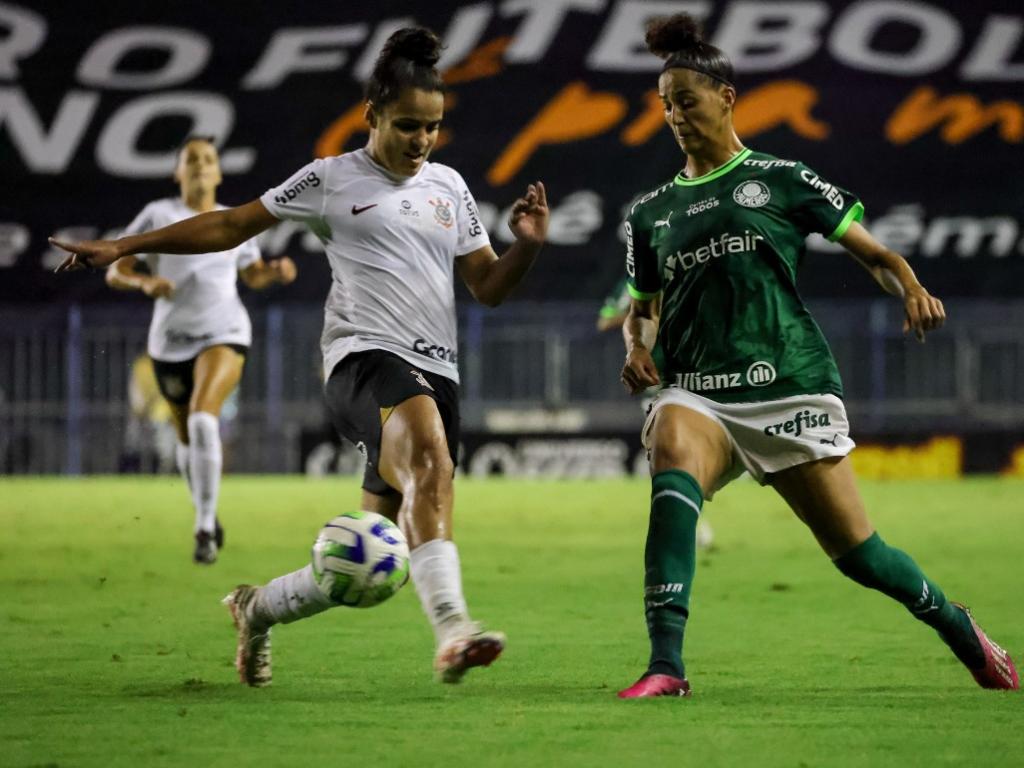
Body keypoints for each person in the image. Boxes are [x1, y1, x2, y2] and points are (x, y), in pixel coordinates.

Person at [52, 27, 550, 687]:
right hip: (361, 361)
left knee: (372, 561)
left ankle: (255, 609)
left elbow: (486, 287)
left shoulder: (451, 188)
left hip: (436, 371)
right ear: (371, 117)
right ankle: (454, 630)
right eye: (407, 125)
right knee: (430, 454)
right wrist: (122, 247)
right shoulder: (330, 178)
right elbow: (232, 224)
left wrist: (528, 248)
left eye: (432, 127)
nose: (421, 140)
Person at [615, 14, 1018, 698]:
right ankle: (665, 666)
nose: (675, 115)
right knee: (672, 455)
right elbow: (642, 309)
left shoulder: (780, 177)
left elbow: (875, 254)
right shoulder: (650, 214)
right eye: (665, 105)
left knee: (860, 557)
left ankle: (958, 626)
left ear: (725, 96)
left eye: (686, 99)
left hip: (788, 385)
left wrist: (912, 287)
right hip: (699, 390)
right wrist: (636, 350)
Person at [106, 137, 297, 564]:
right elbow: (117, 270)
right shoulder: (160, 215)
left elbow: (252, 276)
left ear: (219, 172)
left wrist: (274, 272)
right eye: (191, 160)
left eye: (208, 159)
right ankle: (205, 511)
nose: (199, 166)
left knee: (203, 417)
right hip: (170, 343)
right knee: (185, 438)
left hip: (224, 333)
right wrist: (145, 283)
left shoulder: (231, 221)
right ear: (177, 172)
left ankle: (205, 528)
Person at [597, 276, 714, 549]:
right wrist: (645, 310)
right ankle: (689, 523)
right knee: (674, 454)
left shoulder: (691, 270)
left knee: (690, 453)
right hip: (656, 381)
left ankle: (689, 517)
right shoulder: (636, 281)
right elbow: (605, 320)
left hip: (696, 375)